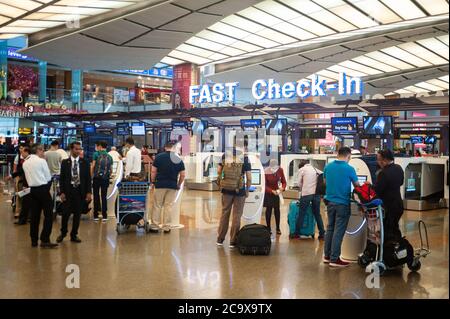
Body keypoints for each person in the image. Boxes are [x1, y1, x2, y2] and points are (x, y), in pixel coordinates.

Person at [322, 147, 361, 267]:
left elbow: (325, 182)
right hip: (342, 203)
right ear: (349, 156)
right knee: (338, 231)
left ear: (337, 154)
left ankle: (327, 256)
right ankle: (334, 259)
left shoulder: (328, 167)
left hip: (330, 202)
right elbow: (357, 186)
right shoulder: (349, 169)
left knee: (330, 229)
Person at [22, 144, 57, 248]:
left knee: (35, 217)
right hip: (43, 189)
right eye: (42, 150)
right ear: (38, 150)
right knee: (48, 215)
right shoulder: (41, 161)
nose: (43, 153)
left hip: (32, 191)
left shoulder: (25, 163)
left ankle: (34, 240)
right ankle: (45, 239)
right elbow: (47, 177)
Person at [57, 142, 92, 243]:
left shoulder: (84, 162)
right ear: (71, 150)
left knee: (77, 214)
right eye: (76, 149)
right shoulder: (65, 162)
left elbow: (88, 179)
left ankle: (74, 234)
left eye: (79, 149)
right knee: (65, 214)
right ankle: (63, 233)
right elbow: (62, 179)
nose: (78, 151)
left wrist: (89, 192)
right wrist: (62, 192)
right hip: (68, 191)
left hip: (80, 191)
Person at [216, 149, 251, 248]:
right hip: (239, 191)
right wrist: (247, 190)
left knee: (225, 213)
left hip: (226, 190)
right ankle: (233, 241)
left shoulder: (225, 155)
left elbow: (218, 171)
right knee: (237, 215)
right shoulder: (245, 159)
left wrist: (223, 180)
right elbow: (249, 178)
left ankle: (220, 239)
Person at [150, 141, 185, 233]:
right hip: (172, 185)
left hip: (160, 184)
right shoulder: (178, 159)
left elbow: (153, 171)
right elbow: (183, 175)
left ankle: (155, 226)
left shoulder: (159, 157)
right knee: (168, 206)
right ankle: (166, 227)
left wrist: (153, 181)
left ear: (165, 147)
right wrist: (178, 184)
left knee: (157, 205)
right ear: (173, 148)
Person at [374, 149, 405, 242]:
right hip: (398, 204)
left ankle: (388, 251)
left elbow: (378, 190)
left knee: (387, 231)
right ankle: (398, 248)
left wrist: (370, 186)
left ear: (384, 160)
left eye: (379, 159)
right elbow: (400, 182)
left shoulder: (383, 173)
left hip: (388, 207)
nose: (377, 162)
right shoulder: (398, 168)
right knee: (394, 227)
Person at [296, 160, 326, 240]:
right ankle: (322, 233)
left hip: (306, 193)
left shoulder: (302, 170)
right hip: (317, 194)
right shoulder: (316, 169)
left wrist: (303, 185)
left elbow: (298, 184)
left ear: (301, 166)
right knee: (317, 214)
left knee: (302, 213)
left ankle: (296, 233)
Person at [7, 145, 31, 225]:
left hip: (28, 183)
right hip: (25, 182)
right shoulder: (25, 159)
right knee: (23, 199)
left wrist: (11, 176)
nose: (21, 153)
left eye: (23, 152)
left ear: (27, 152)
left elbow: (21, 171)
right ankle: (25, 217)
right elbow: (19, 171)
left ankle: (25, 218)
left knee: (26, 200)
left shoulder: (28, 161)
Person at [91, 141, 113, 222]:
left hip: (96, 178)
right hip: (105, 179)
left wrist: (91, 176)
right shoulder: (109, 156)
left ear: (100, 146)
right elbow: (110, 170)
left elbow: (93, 166)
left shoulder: (96, 154)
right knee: (104, 196)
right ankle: (104, 215)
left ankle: (96, 215)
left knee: (96, 196)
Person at [264, 158, 286, 235]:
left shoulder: (280, 170)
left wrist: (282, 188)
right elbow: (265, 185)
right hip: (269, 193)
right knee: (269, 210)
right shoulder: (266, 171)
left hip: (277, 193)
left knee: (277, 210)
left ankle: (278, 228)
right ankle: (268, 228)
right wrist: (271, 191)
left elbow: (284, 181)